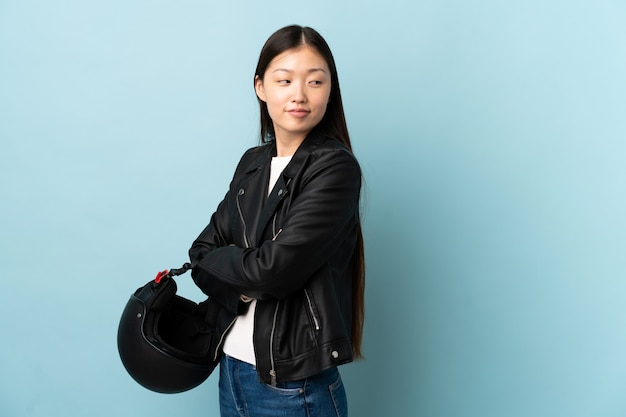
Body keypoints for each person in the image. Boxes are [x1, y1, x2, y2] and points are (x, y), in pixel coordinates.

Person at [188, 24, 365, 417]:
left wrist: (243, 271)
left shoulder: (334, 169)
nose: (299, 95)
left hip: (293, 386)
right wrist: (250, 275)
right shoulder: (253, 163)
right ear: (261, 87)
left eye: (315, 81)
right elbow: (200, 254)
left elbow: (272, 272)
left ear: (330, 89)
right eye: (284, 80)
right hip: (232, 371)